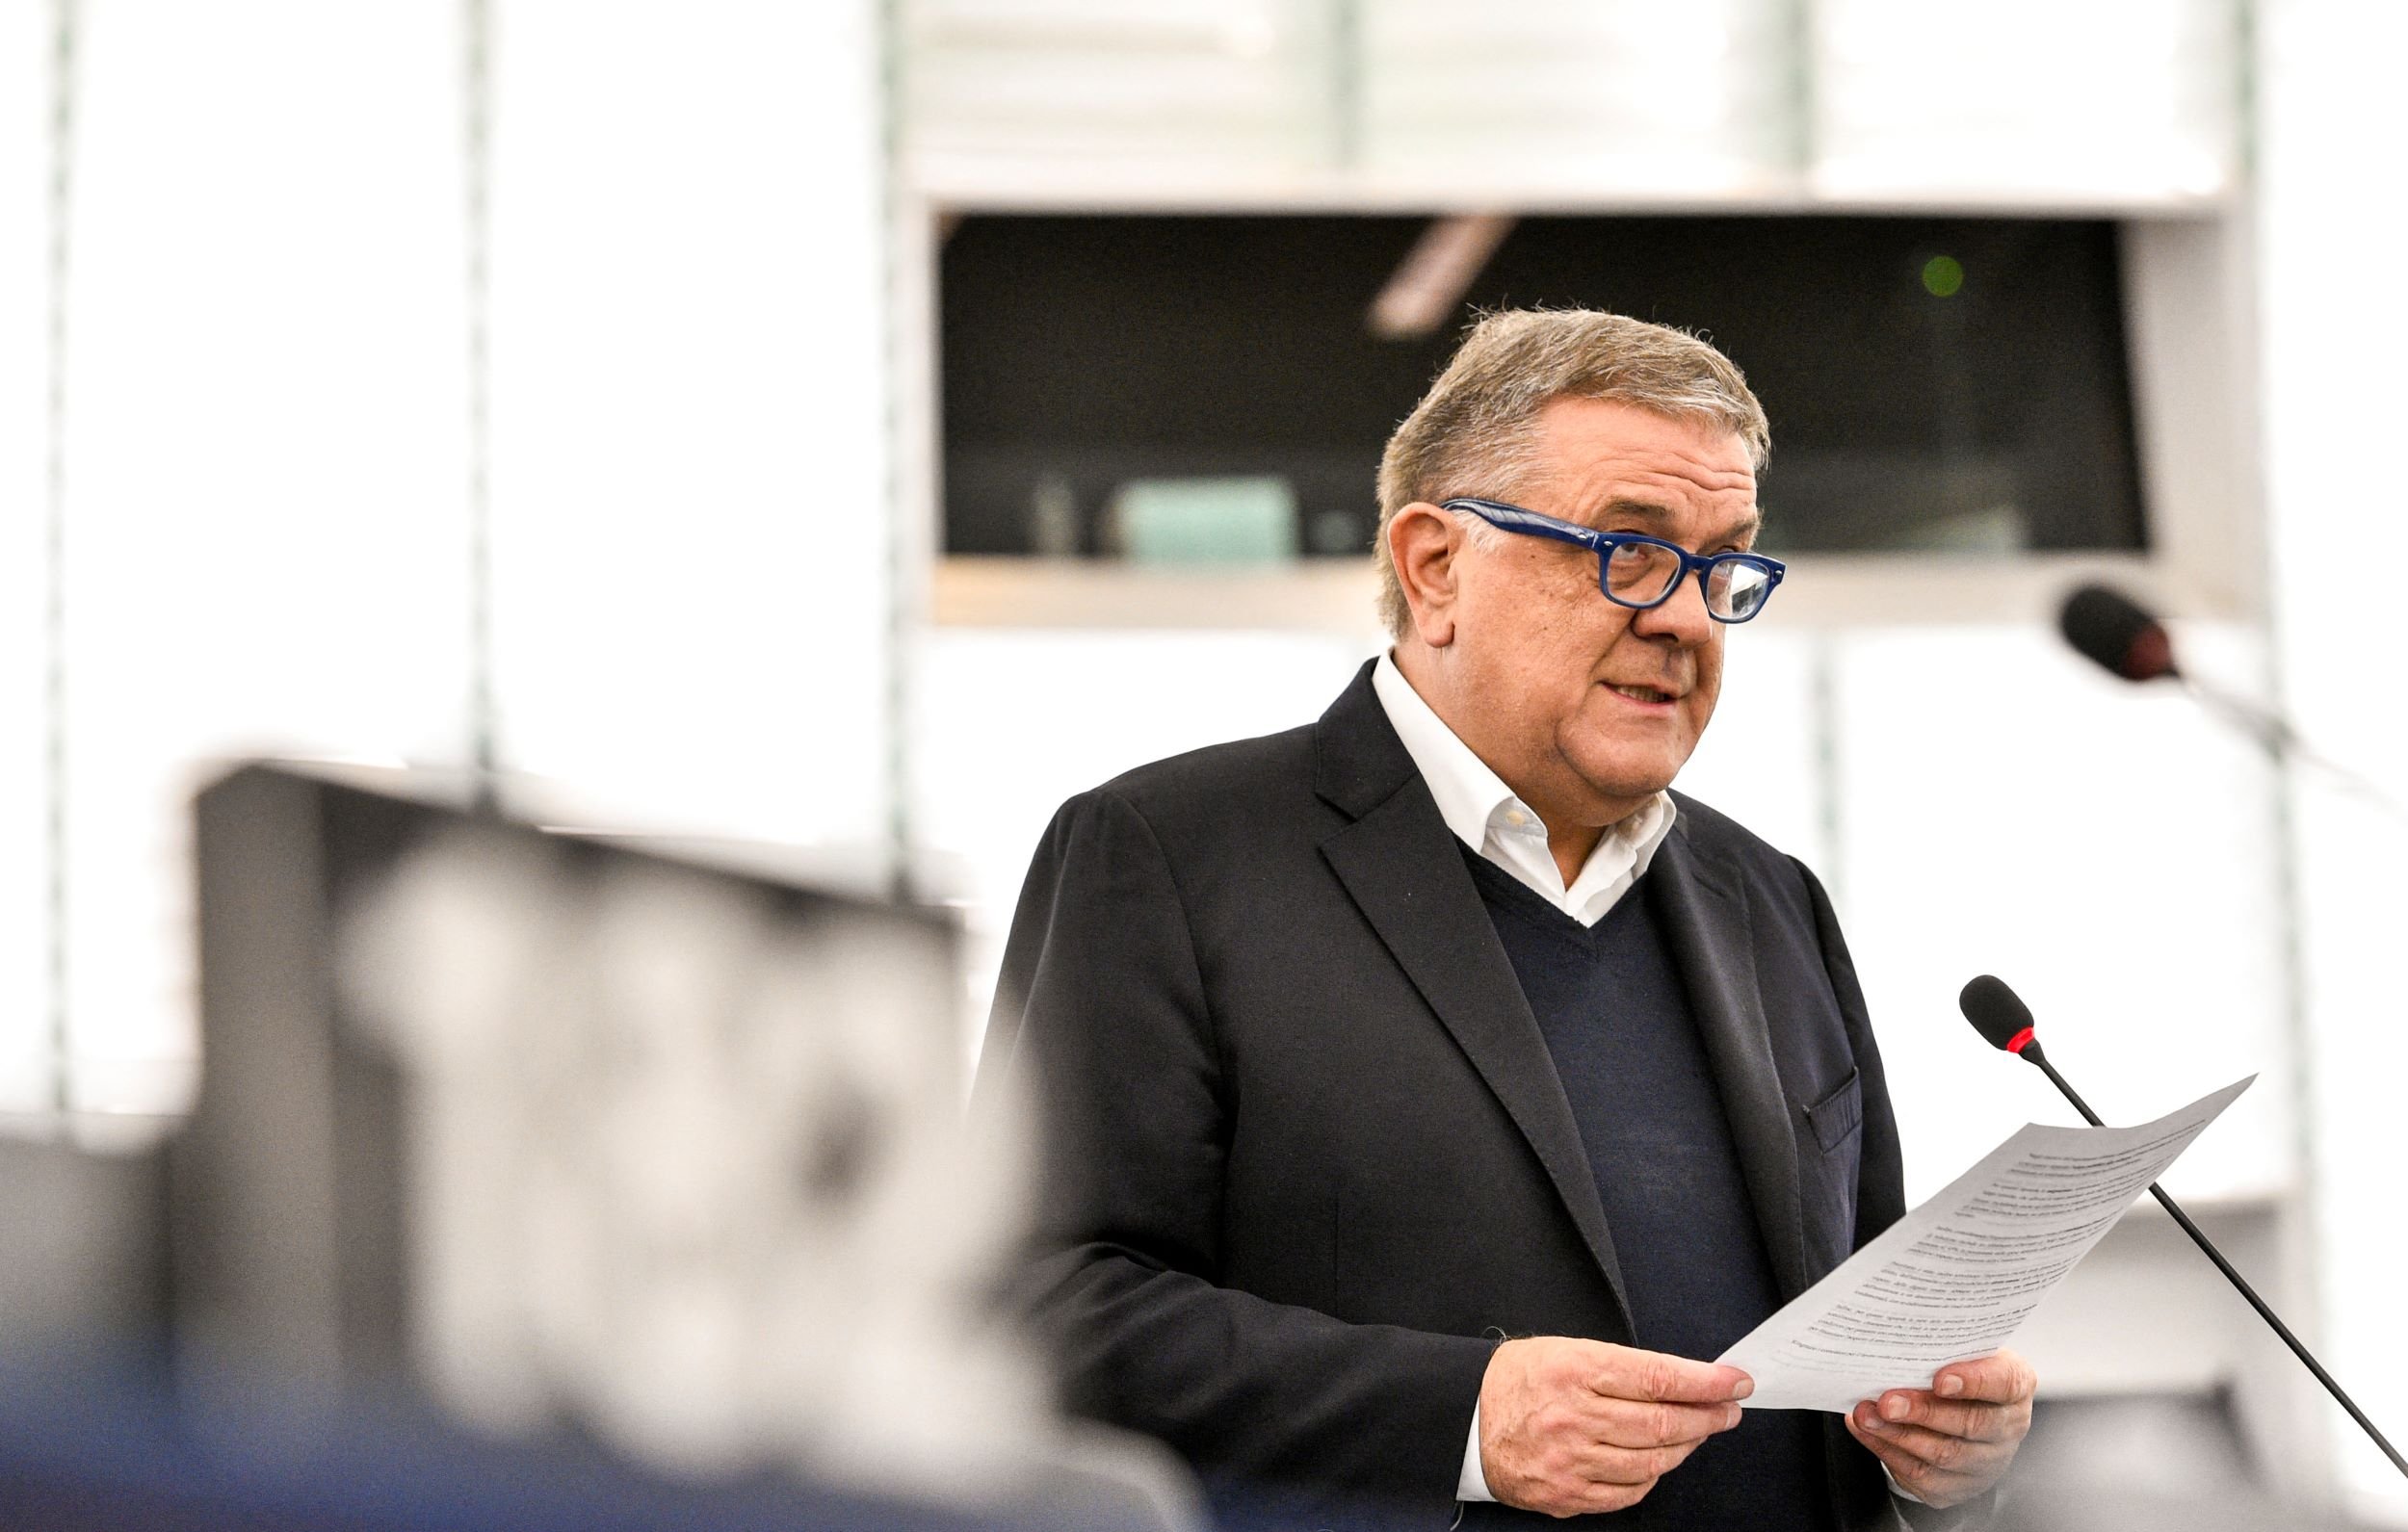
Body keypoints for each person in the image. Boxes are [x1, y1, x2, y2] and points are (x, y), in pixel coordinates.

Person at [976, 310, 2034, 1528]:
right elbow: (1040, 1308)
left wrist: (1937, 1450)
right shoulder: (1169, 854)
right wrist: (1462, 1418)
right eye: (1628, 551)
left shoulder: (1771, 898)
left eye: (1722, 563)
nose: (1686, 618)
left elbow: (1860, 1326)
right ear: (1434, 568)